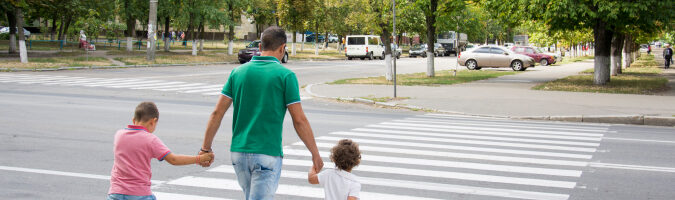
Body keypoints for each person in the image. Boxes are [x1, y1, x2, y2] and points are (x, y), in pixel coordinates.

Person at [199, 26, 323, 200]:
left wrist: (205, 148)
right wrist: (315, 154)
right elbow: (299, 120)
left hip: (239, 154)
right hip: (267, 154)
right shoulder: (286, 76)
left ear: (260, 47)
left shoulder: (237, 73)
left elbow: (216, 113)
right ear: (282, 48)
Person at [108, 102, 214, 200]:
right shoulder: (150, 139)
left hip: (115, 192)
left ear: (133, 120)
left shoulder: (119, 135)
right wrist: (199, 158)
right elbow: (173, 159)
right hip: (139, 194)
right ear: (153, 121)